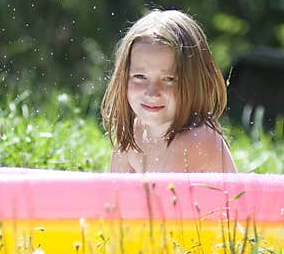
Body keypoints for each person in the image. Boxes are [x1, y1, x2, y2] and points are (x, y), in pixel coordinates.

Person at [101, 9, 238, 173]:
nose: (152, 93)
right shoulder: (134, 134)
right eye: (140, 76)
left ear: (196, 82)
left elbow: (163, 198)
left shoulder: (197, 139)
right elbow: (114, 196)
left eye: (169, 79)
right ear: (123, 78)